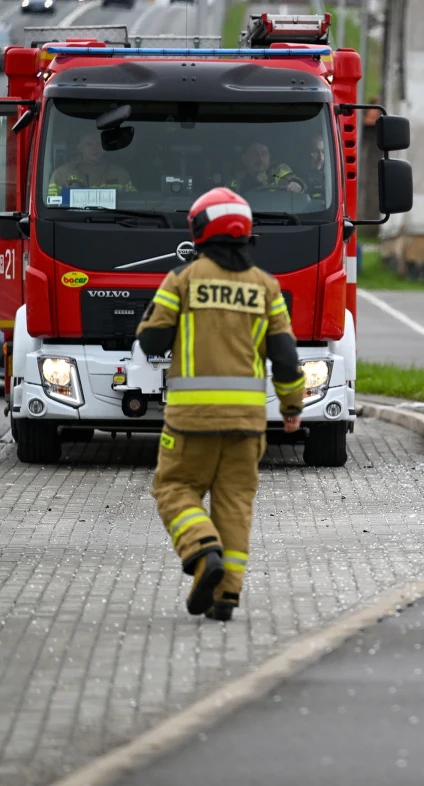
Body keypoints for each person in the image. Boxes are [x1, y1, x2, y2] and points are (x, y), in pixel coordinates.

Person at [135, 187, 306, 622]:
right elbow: (286, 358)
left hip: (190, 421)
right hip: (248, 426)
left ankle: (200, 548)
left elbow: (150, 340)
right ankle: (225, 597)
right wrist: (290, 408)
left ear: (199, 231)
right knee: (234, 505)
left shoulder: (183, 280)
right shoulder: (267, 288)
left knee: (174, 489)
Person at [48, 131, 136, 195]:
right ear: (79, 148)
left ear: (105, 148)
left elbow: (133, 202)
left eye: (98, 144)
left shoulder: (120, 174)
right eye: (89, 144)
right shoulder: (61, 174)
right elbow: (51, 205)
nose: (94, 148)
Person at [229, 141, 305, 194]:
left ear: (269, 156)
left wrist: (295, 184)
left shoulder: (278, 171)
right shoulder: (237, 180)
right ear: (244, 159)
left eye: (263, 153)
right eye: (254, 153)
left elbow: (291, 179)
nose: (260, 158)